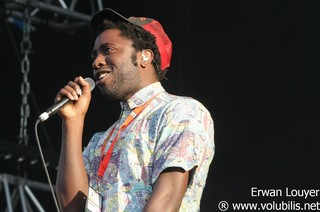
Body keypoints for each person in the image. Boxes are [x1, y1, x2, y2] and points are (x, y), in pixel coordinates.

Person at [55, 8, 215, 212]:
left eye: (108, 49)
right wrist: (72, 122)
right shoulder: (99, 141)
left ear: (145, 57)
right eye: (94, 54)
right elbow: (72, 208)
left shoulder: (180, 112)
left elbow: (165, 203)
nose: (96, 62)